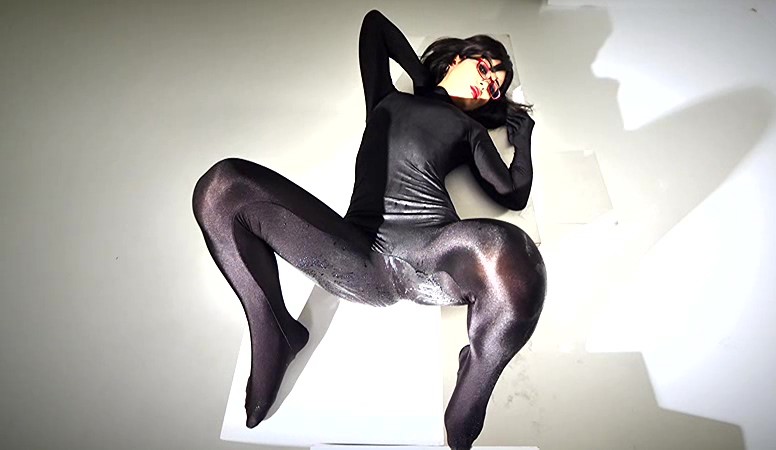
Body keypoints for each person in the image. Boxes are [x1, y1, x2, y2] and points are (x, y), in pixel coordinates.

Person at [192, 9, 546, 450]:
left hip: (432, 252)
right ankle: (275, 331)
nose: (489, 84)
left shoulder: (469, 130)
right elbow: (375, 26)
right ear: (457, 59)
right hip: (359, 255)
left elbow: (513, 193)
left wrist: (522, 140)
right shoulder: (385, 98)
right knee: (221, 187)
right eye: (486, 68)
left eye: (496, 87)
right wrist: (421, 79)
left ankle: (476, 375)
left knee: (514, 253)